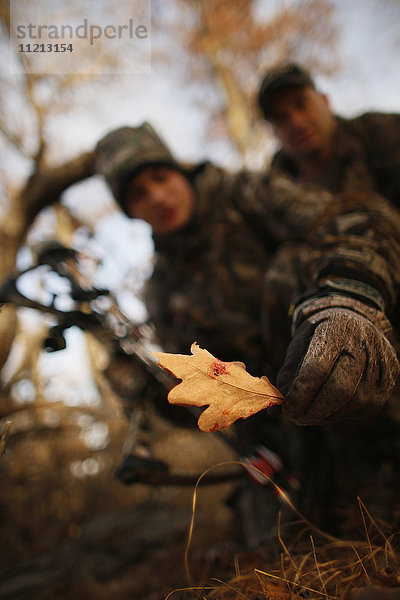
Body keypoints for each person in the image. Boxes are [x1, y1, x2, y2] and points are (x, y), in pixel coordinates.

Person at [95, 122, 400, 546]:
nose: (158, 198)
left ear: (180, 171)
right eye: (138, 195)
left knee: (286, 273)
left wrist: (348, 299)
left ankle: (380, 460)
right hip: (281, 427)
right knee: (274, 543)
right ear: (131, 212)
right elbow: (204, 397)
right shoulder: (162, 290)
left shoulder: (245, 192)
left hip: (359, 363)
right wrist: (146, 392)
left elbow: (366, 217)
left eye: (160, 178)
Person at [258, 62, 400, 207]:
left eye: (302, 105)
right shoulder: (270, 194)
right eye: (281, 118)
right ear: (273, 132)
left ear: (325, 101)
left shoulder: (380, 132)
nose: (296, 122)